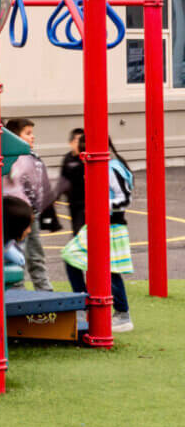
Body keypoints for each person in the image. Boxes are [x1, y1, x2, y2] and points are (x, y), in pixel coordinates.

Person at [60, 135, 135, 333]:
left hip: (111, 225)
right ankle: (84, 304)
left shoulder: (112, 168)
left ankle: (122, 313)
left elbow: (125, 198)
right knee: (74, 257)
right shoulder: (105, 166)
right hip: (98, 223)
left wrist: (102, 206)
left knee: (109, 269)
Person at [4, 118, 54, 291]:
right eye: (28, 133)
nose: (32, 137)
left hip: (31, 213)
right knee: (18, 254)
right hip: (18, 215)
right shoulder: (11, 158)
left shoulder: (32, 157)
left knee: (36, 255)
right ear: (14, 137)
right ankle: (17, 291)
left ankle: (45, 291)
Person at [57, 128, 87, 234]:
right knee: (77, 229)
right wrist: (57, 196)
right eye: (78, 140)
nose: (81, 144)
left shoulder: (86, 158)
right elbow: (63, 178)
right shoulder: (68, 159)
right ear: (71, 142)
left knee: (84, 230)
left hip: (87, 201)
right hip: (74, 201)